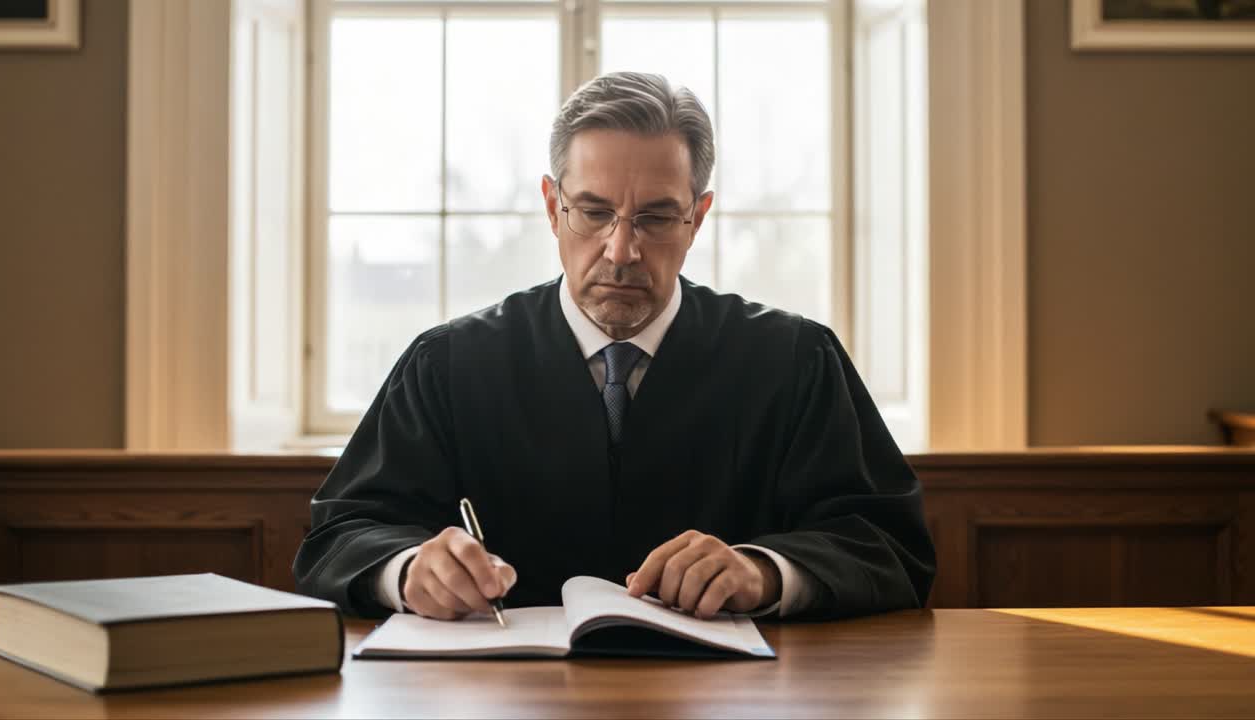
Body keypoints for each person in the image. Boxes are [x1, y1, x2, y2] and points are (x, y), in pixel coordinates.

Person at [293, 71, 935, 622]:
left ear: (698, 217)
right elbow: (340, 537)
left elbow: (888, 544)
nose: (621, 250)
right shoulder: (446, 366)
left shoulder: (795, 362)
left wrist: (764, 572)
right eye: (593, 212)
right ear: (552, 207)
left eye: (655, 217)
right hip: (499, 699)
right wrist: (408, 570)